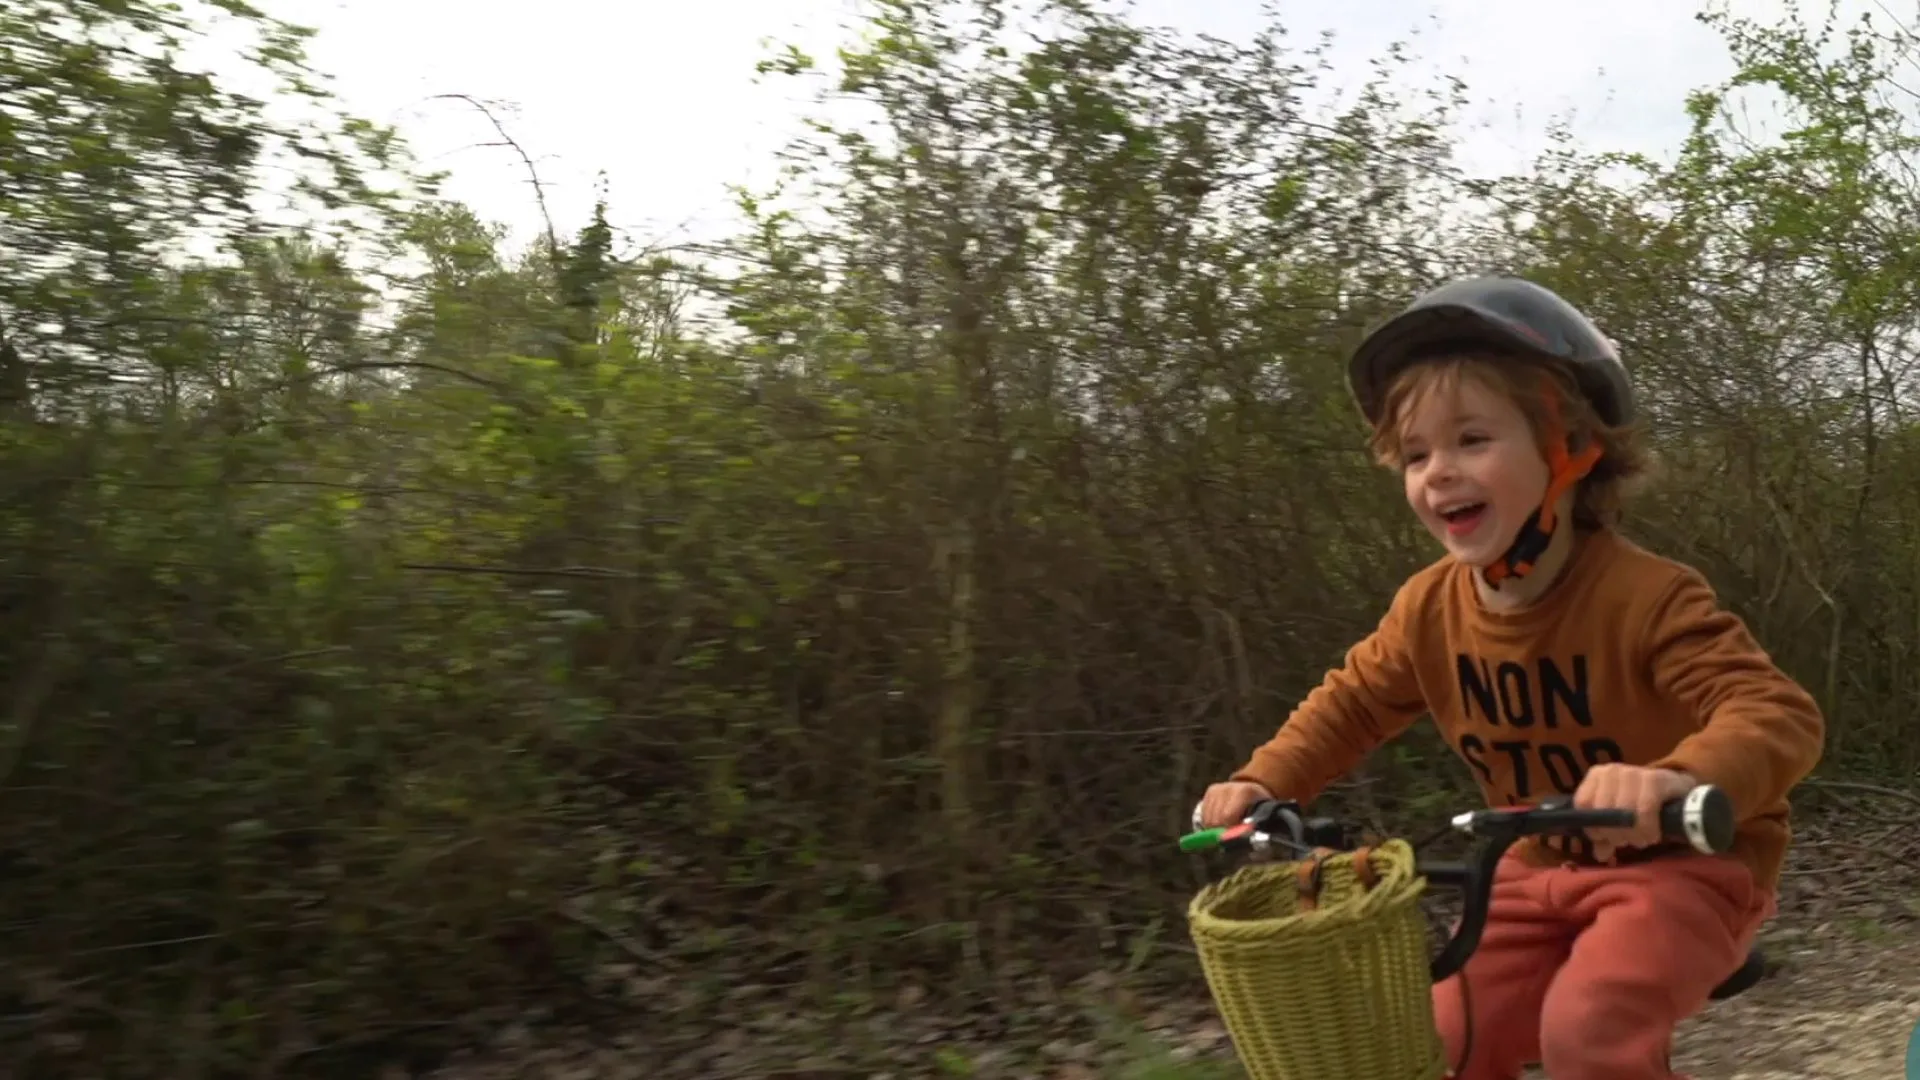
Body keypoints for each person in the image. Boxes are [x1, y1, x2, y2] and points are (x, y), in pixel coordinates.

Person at [1193, 277, 1825, 1080]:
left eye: (1472, 440)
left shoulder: (1647, 596)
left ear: (1567, 446)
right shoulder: (1428, 610)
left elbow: (1774, 710)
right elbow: (1350, 705)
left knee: (1589, 1029)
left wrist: (1674, 780)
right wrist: (1262, 781)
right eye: (1416, 455)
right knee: (1445, 1038)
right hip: (1528, 872)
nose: (1438, 472)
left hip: (1683, 869)